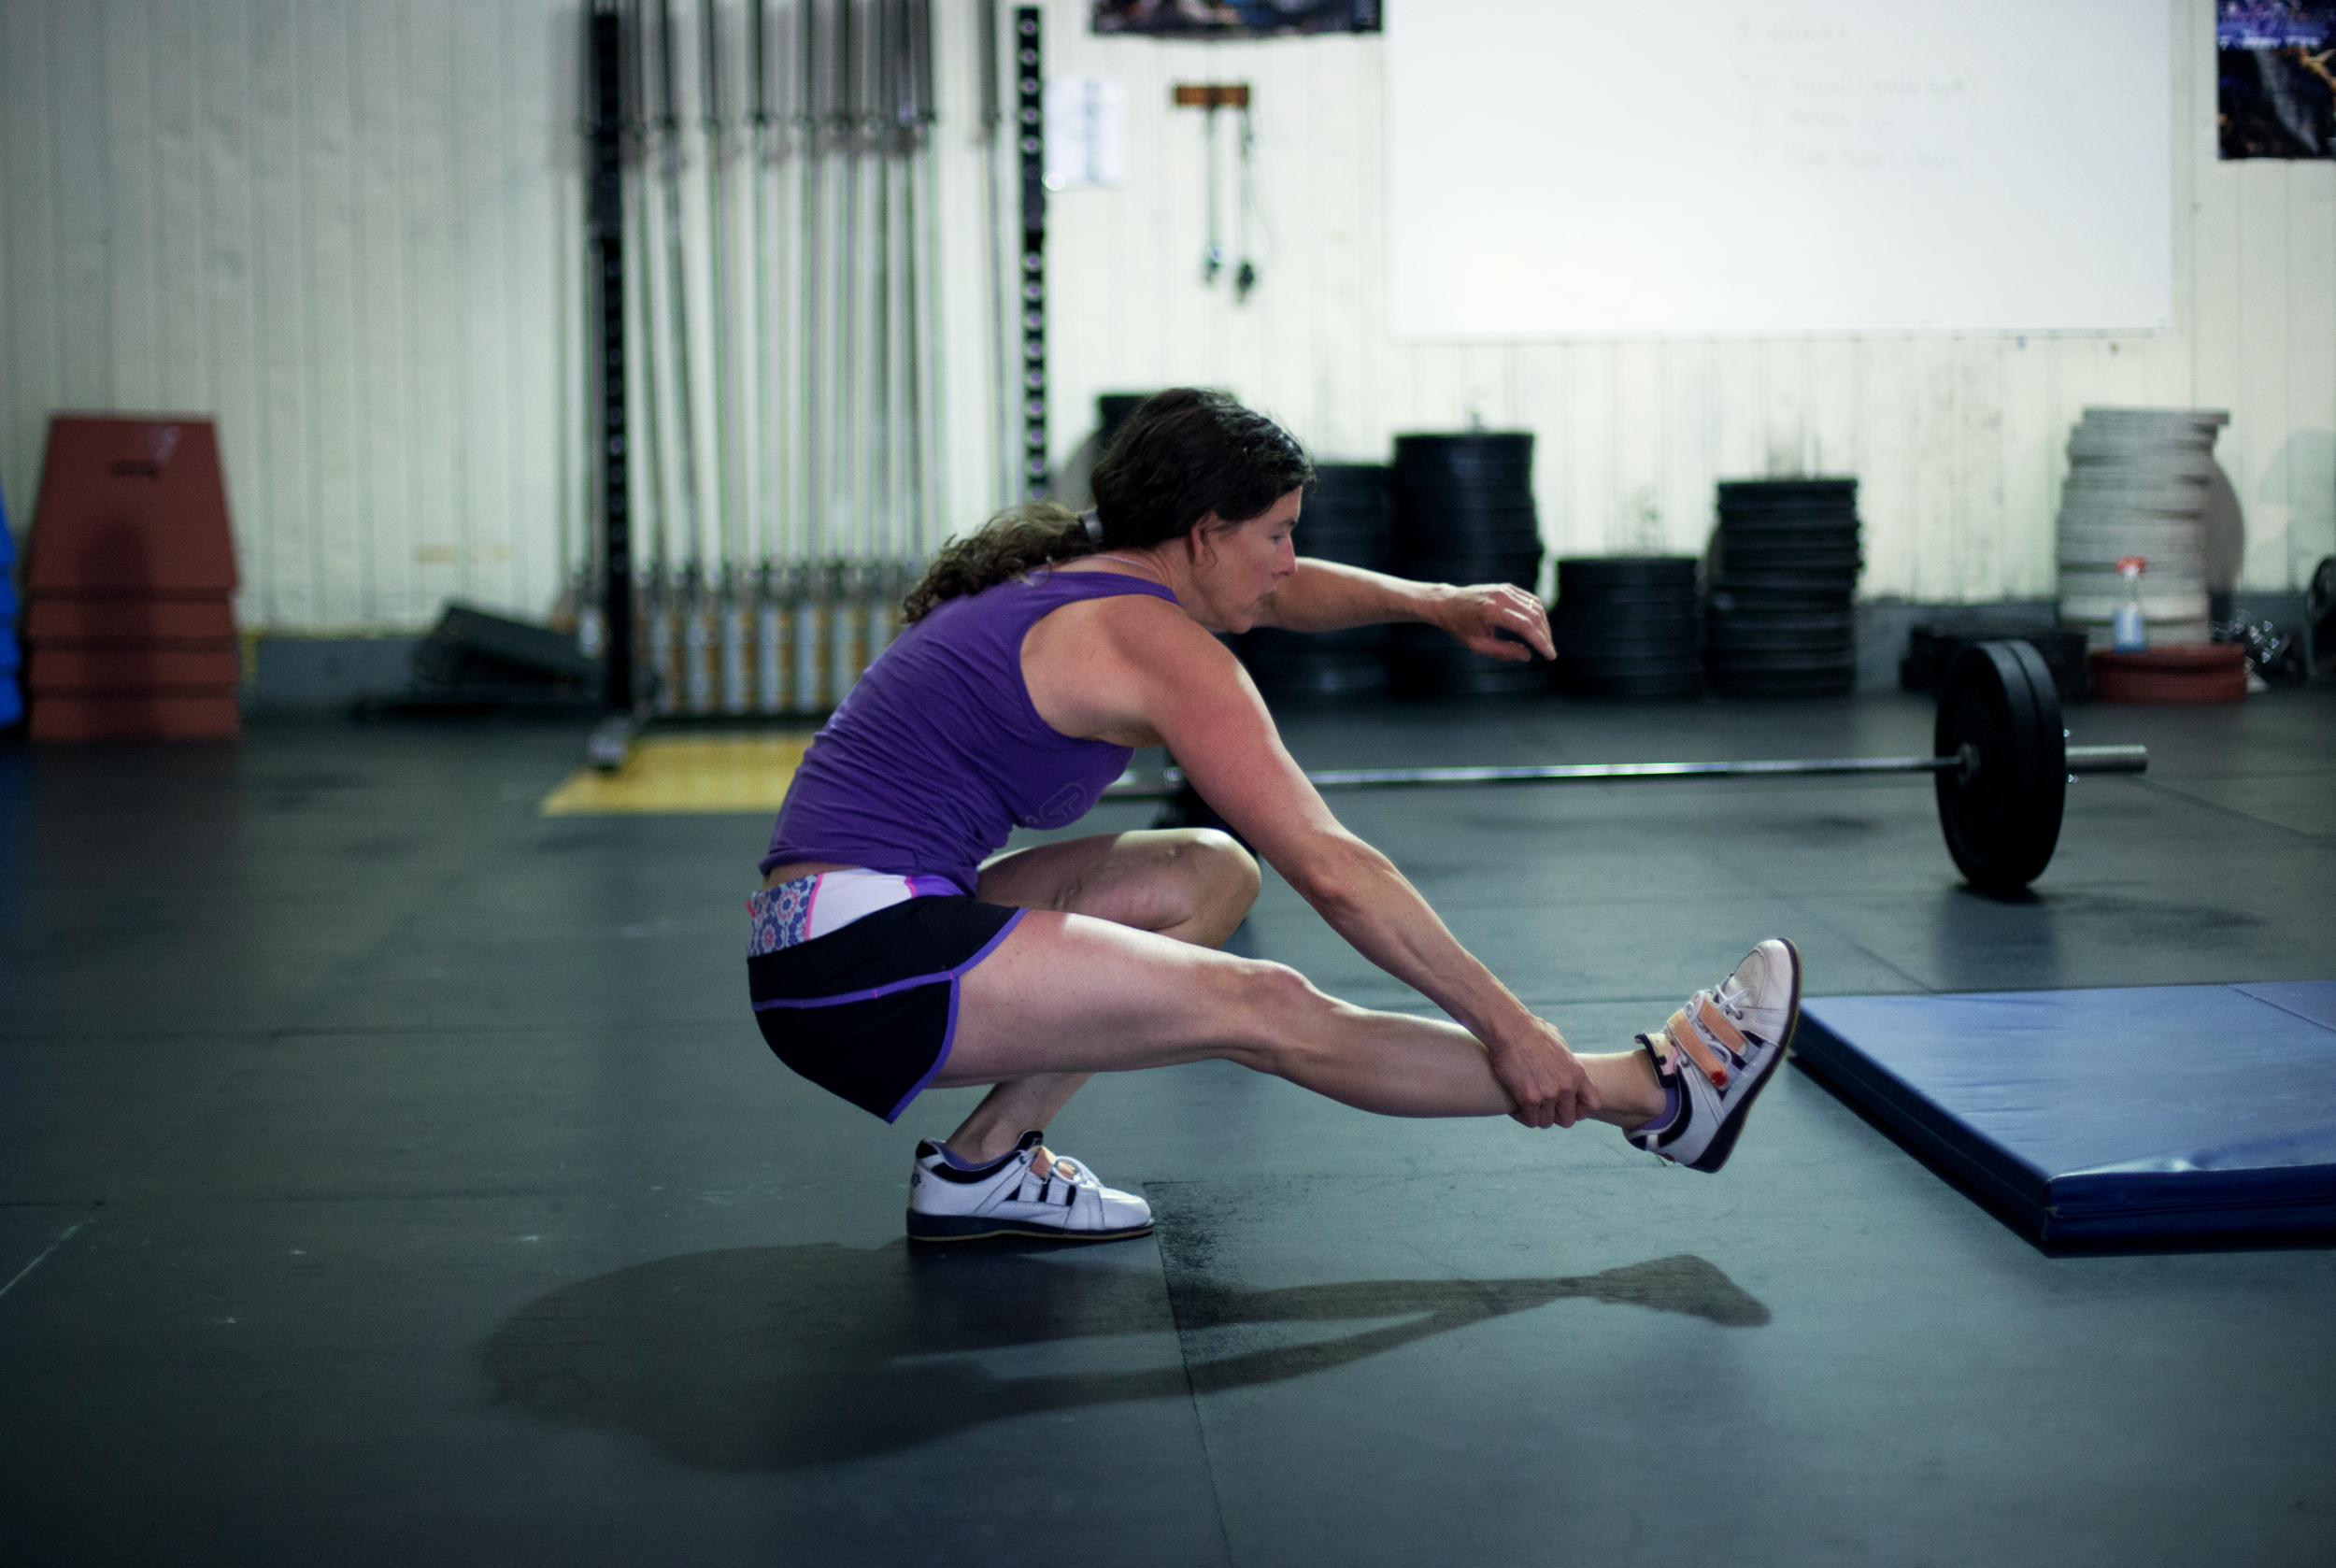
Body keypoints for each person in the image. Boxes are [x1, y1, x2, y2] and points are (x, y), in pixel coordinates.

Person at [748, 389, 1801, 1243]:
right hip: (860, 970)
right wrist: (1512, 1029)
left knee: (1206, 873)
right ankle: (1653, 1094)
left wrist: (1431, 602)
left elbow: (1274, 594)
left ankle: (980, 1169)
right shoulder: (1155, 646)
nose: (1289, 560)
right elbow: (1335, 871)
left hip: (825, 941)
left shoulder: (1084, 574)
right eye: (1279, 533)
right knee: (1263, 1006)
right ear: (1204, 535)